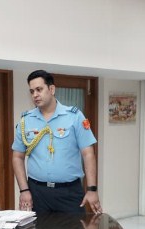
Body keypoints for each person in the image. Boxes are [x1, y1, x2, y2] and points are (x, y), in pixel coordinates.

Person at [12, 70, 102, 214]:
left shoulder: (74, 116)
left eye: (39, 89)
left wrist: (92, 189)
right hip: (37, 193)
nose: (35, 95)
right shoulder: (26, 120)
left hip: (69, 192)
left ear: (52, 89)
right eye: (32, 91)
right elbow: (17, 157)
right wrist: (24, 190)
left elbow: (88, 154)